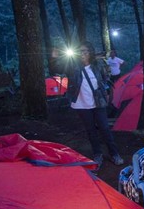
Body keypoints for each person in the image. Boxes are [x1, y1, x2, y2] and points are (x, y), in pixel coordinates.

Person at [51, 41, 124, 169]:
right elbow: (56, 69)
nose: (82, 54)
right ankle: (97, 154)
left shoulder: (98, 65)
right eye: (80, 51)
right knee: (90, 130)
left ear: (90, 53)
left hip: (98, 102)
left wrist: (105, 91)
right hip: (81, 104)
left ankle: (114, 153)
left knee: (105, 128)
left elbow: (105, 79)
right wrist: (54, 56)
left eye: (85, 51)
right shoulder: (72, 66)